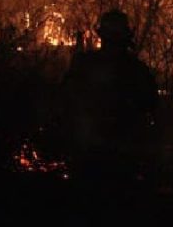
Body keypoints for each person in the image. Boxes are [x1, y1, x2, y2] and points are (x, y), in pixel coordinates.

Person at [62, 9, 158, 158]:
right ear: (126, 38)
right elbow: (151, 106)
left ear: (102, 36)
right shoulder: (137, 70)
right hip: (121, 152)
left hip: (93, 153)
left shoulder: (85, 64)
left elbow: (67, 101)